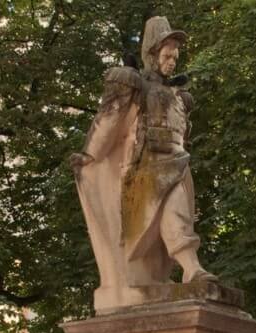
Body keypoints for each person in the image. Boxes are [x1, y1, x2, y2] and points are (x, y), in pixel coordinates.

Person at [71, 15, 215, 311]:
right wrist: (90, 156)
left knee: (179, 214)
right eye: (166, 55)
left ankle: (187, 270)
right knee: (174, 211)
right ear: (151, 53)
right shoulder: (134, 85)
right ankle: (192, 268)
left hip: (177, 164)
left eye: (175, 56)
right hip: (147, 169)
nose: (172, 61)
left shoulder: (179, 96)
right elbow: (110, 120)